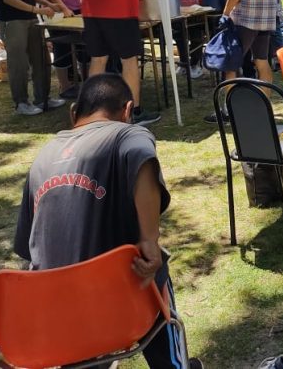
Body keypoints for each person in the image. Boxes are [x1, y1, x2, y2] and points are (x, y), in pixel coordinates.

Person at [13, 73, 202, 369]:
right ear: (127, 111)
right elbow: (142, 154)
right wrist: (150, 241)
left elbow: (28, 249)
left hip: (55, 319)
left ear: (73, 113)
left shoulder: (43, 155)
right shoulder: (126, 133)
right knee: (153, 269)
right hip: (117, 307)